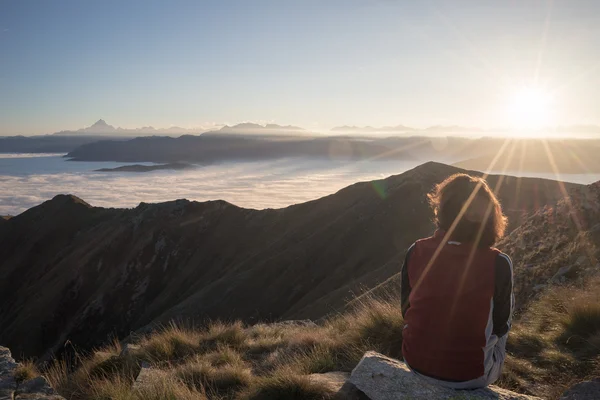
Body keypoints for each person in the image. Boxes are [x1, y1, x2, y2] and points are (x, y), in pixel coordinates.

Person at [400, 173, 514, 389]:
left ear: (443, 210)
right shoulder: (498, 262)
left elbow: (405, 310)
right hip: (470, 376)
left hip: (414, 363)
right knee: (505, 310)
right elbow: (500, 325)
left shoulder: (415, 251)